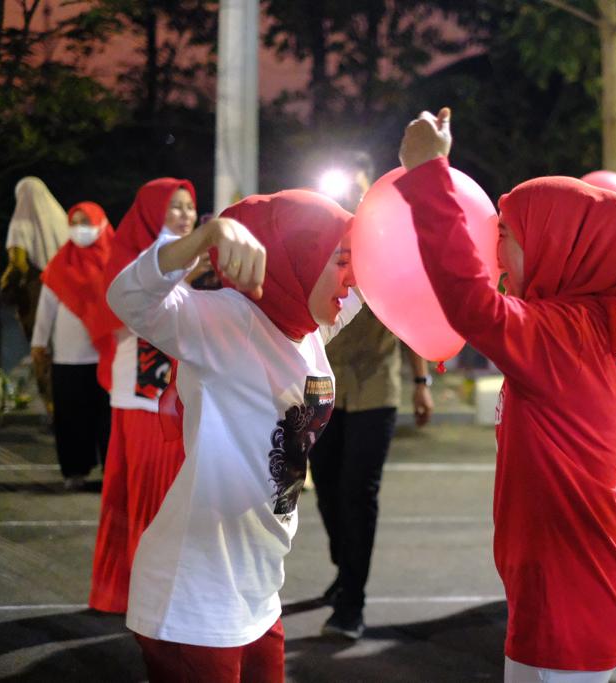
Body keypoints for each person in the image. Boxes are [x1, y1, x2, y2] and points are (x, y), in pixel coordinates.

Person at [396, 108, 616, 682]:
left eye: (506, 236)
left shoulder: (563, 333)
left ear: (558, 246)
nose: (494, 254)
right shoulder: (583, 324)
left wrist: (428, 177)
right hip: (567, 586)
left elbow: (470, 304)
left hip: (576, 596)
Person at [107, 188, 360, 682]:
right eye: (341, 261)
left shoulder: (306, 331)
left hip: (258, 587)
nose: (352, 279)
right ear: (299, 258)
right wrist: (205, 239)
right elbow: (126, 297)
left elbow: (387, 271)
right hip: (195, 594)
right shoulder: (228, 321)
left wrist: (422, 179)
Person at [308, 152, 435, 640]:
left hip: (378, 385)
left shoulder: (393, 246)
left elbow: (412, 318)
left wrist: (422, 384)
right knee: (326, 493)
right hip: (323, 383)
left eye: (361, 190)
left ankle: (352, 604)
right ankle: (346, 569)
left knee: (358, 494)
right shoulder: (322, 242)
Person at [88, 178, 195, 614]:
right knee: (148, 499)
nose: (185, 215)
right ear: (152, 212)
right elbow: (120, 324)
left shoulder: (194, 259)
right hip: (143, 397)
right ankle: (148, 597)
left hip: (172, 396)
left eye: (190, 207)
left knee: (158, 498)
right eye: (174, 207)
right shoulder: (130, 256)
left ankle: (133, 592)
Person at [30, 202, 114, 490]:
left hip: (109, 354)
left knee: (109, 419)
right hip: (68, 356)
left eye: (86, 221)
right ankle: (74, 471)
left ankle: (111, 471)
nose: (80, 228)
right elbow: (46, 307)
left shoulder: (117, 260)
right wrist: (39, 344)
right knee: (71, 417)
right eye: (75, 222)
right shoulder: (60, 263)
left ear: (101, 224)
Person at [0, 177, 69, 411]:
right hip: (67, 292)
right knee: (63, 349)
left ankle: (52, 404)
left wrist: (6, 285)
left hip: (37, 294)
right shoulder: (62, 219)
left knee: (42, 350)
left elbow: (17, 264)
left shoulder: (21, 222)